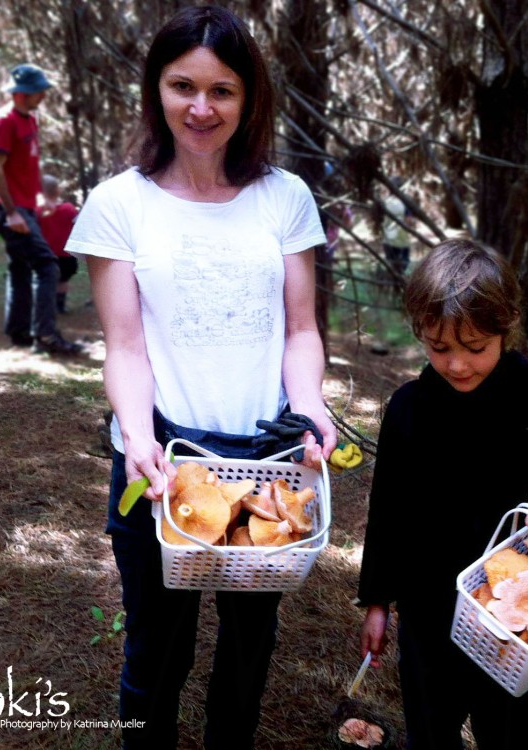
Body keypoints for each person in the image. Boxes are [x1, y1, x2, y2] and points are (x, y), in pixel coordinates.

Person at [64, 6, 337, 749]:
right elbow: (124, 347)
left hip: (266, 465)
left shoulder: (285, 198)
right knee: (157, 648)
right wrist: (140, 437)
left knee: (250, 647)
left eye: (222, 91)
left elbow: (302, 329)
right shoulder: (119, 205)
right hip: (165, 460)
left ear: (249, 100)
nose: (200, 107)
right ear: (156, 88)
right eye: (182, 85)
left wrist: (309, 403)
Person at [357, 239, 528, 750]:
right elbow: (388, 510)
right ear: (420, 333)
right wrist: (376, 599)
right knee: (430, 729)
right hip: (427, 610)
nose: (458, 365)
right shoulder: (407, 410)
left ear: (505, 329)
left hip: (512, 611)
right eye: (440, 348)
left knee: (507, 732)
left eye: (475, 348)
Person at [0, 63, 82, 355]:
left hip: (27, 205)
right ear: (21, 93)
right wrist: (11, 211)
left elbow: (28, 164)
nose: (43, 94)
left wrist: (41, 197)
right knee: (47, 264)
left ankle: (19, 333)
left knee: (21, 266)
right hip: (9, 209)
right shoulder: (4, 121)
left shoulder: (30, 119)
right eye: (37, 90)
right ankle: (46, 335)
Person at [37, 174, 79, 313]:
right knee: (63, 280)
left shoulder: (38, 212)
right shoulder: (69, 209)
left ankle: (47, 306)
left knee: (47, 280)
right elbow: (79, 224)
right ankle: (60, 306)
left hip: (45, 254)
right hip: (67, 254)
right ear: (58, 190)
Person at [381, 178, 412, 276]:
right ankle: (400, 281)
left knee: (391, 262)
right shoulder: (405, 203)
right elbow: (408, 220)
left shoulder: (385, 203)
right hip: (401, 238)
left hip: (387, 238)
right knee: (403, 262)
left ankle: (392, 281)